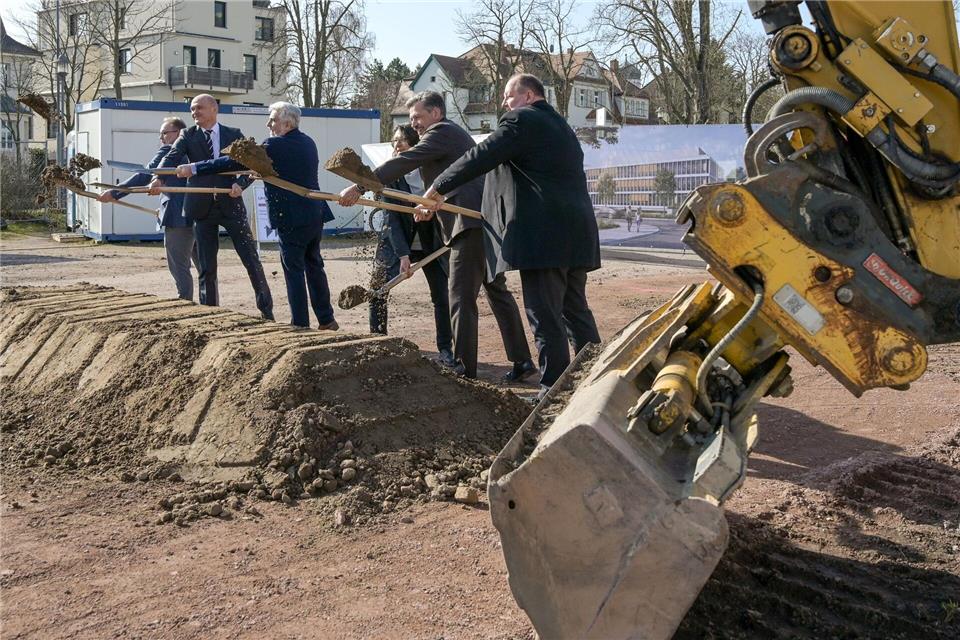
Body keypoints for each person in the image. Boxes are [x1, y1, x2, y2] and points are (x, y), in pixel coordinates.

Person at [421, 73, 602, 398]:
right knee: (575, 310)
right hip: (577, 232)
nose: (504, 103)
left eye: (508, 96)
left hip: (545, 236)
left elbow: (482, 154)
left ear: (529, 95)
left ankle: (553, 391)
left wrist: (437, 188)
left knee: (545, 313)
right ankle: (599, 380)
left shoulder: (522, 119)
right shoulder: (562, 127)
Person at [339, 90, 536, 382]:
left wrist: (360, 185)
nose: (414, 123)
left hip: (468, 224)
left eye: (417, 116)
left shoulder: (441, 132)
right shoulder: (452, 136)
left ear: (435, 113)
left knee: (459, 296)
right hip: (482, 220)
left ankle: (462, 367)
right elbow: (455, 179)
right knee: (496, 292)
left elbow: (405, 161)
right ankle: (522, 360)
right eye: (411, 118)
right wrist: (430, 207)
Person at [177, 102, 338, 330]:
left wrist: (193, 168)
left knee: (293, 271)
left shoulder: (273, 145)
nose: (268, 124)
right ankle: (327, 319)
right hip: (315, 213)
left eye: (272, 120)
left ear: (287, 123)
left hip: (291, 218)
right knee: (314, 266)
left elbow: (233, 160)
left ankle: (300, 324)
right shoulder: (308, 142)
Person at [149, 94, 273, 320]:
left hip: (231, 205)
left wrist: (241, 184)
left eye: (199, 108)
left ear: (214, 109)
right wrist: (159, 179)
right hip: (201, 208)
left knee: (251, 260)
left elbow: (253, 164)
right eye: (192, 109)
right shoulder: (188, 135)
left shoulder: (233, 135)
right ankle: (211, 314)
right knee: (206, 267)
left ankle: (266, 310)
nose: (194, 112)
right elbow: (171, 158)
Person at [369, 125, 454, 364]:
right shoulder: (391, 177)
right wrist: (403, 255)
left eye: (402, 142)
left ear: (417, 148)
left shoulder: (432, 172)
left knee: (441, 295)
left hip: (431, 241)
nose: (396, 147)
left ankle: (446, 349)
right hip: (397, 240)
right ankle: (378, 342)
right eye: (394, 142)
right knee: (378, 289)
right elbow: (392, 219)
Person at [98, 117, 200, 301]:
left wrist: (114, 193)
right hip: (200, 216)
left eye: (164, 133)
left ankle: (185, 303)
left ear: (177, 134)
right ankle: (210, 304)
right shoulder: (197, 152)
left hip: (178, 218)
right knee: (205, 268)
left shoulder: (170, 151)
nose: (161, 138)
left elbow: (144, 175)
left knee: (179, 265)